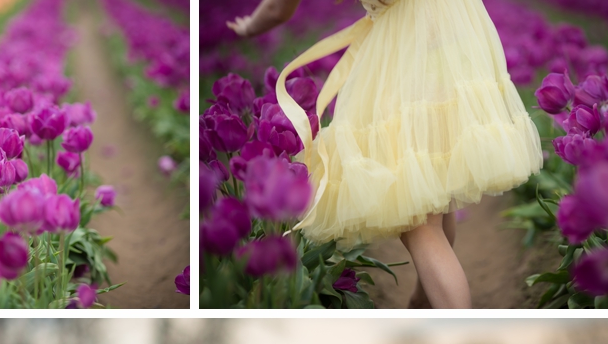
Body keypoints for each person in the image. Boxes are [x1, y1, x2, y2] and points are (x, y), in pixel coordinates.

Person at [227, 0, 543, 309]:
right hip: (457, 28)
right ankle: (424, 298)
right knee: (434, 185)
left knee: (419, 224)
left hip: (401, 44)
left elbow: (276, 8)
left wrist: (248, 27)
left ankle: (456, 321)